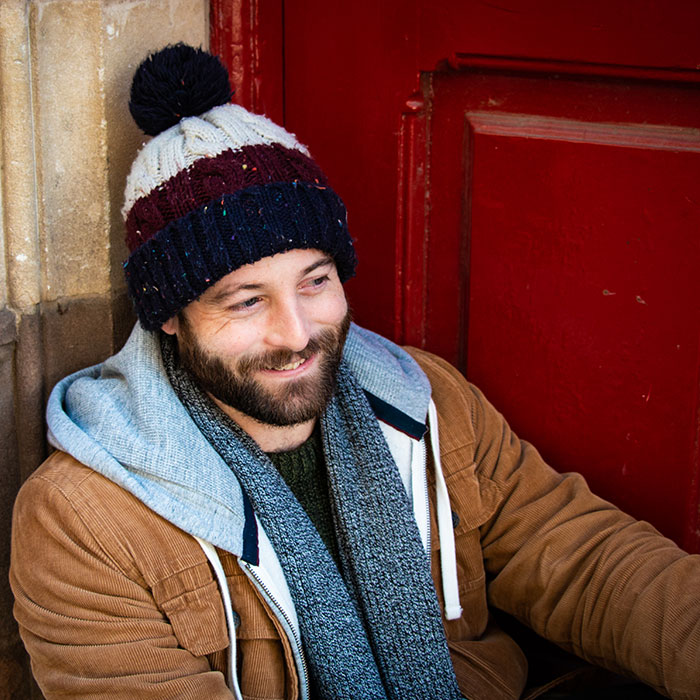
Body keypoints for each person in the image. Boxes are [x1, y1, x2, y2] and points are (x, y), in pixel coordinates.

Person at [10, 44, 699, 700]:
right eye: (246, 301)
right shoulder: (81, 522)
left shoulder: (424, 399)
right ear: (169, 316)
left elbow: (582, 561)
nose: (298, 333)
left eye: (315, 280)